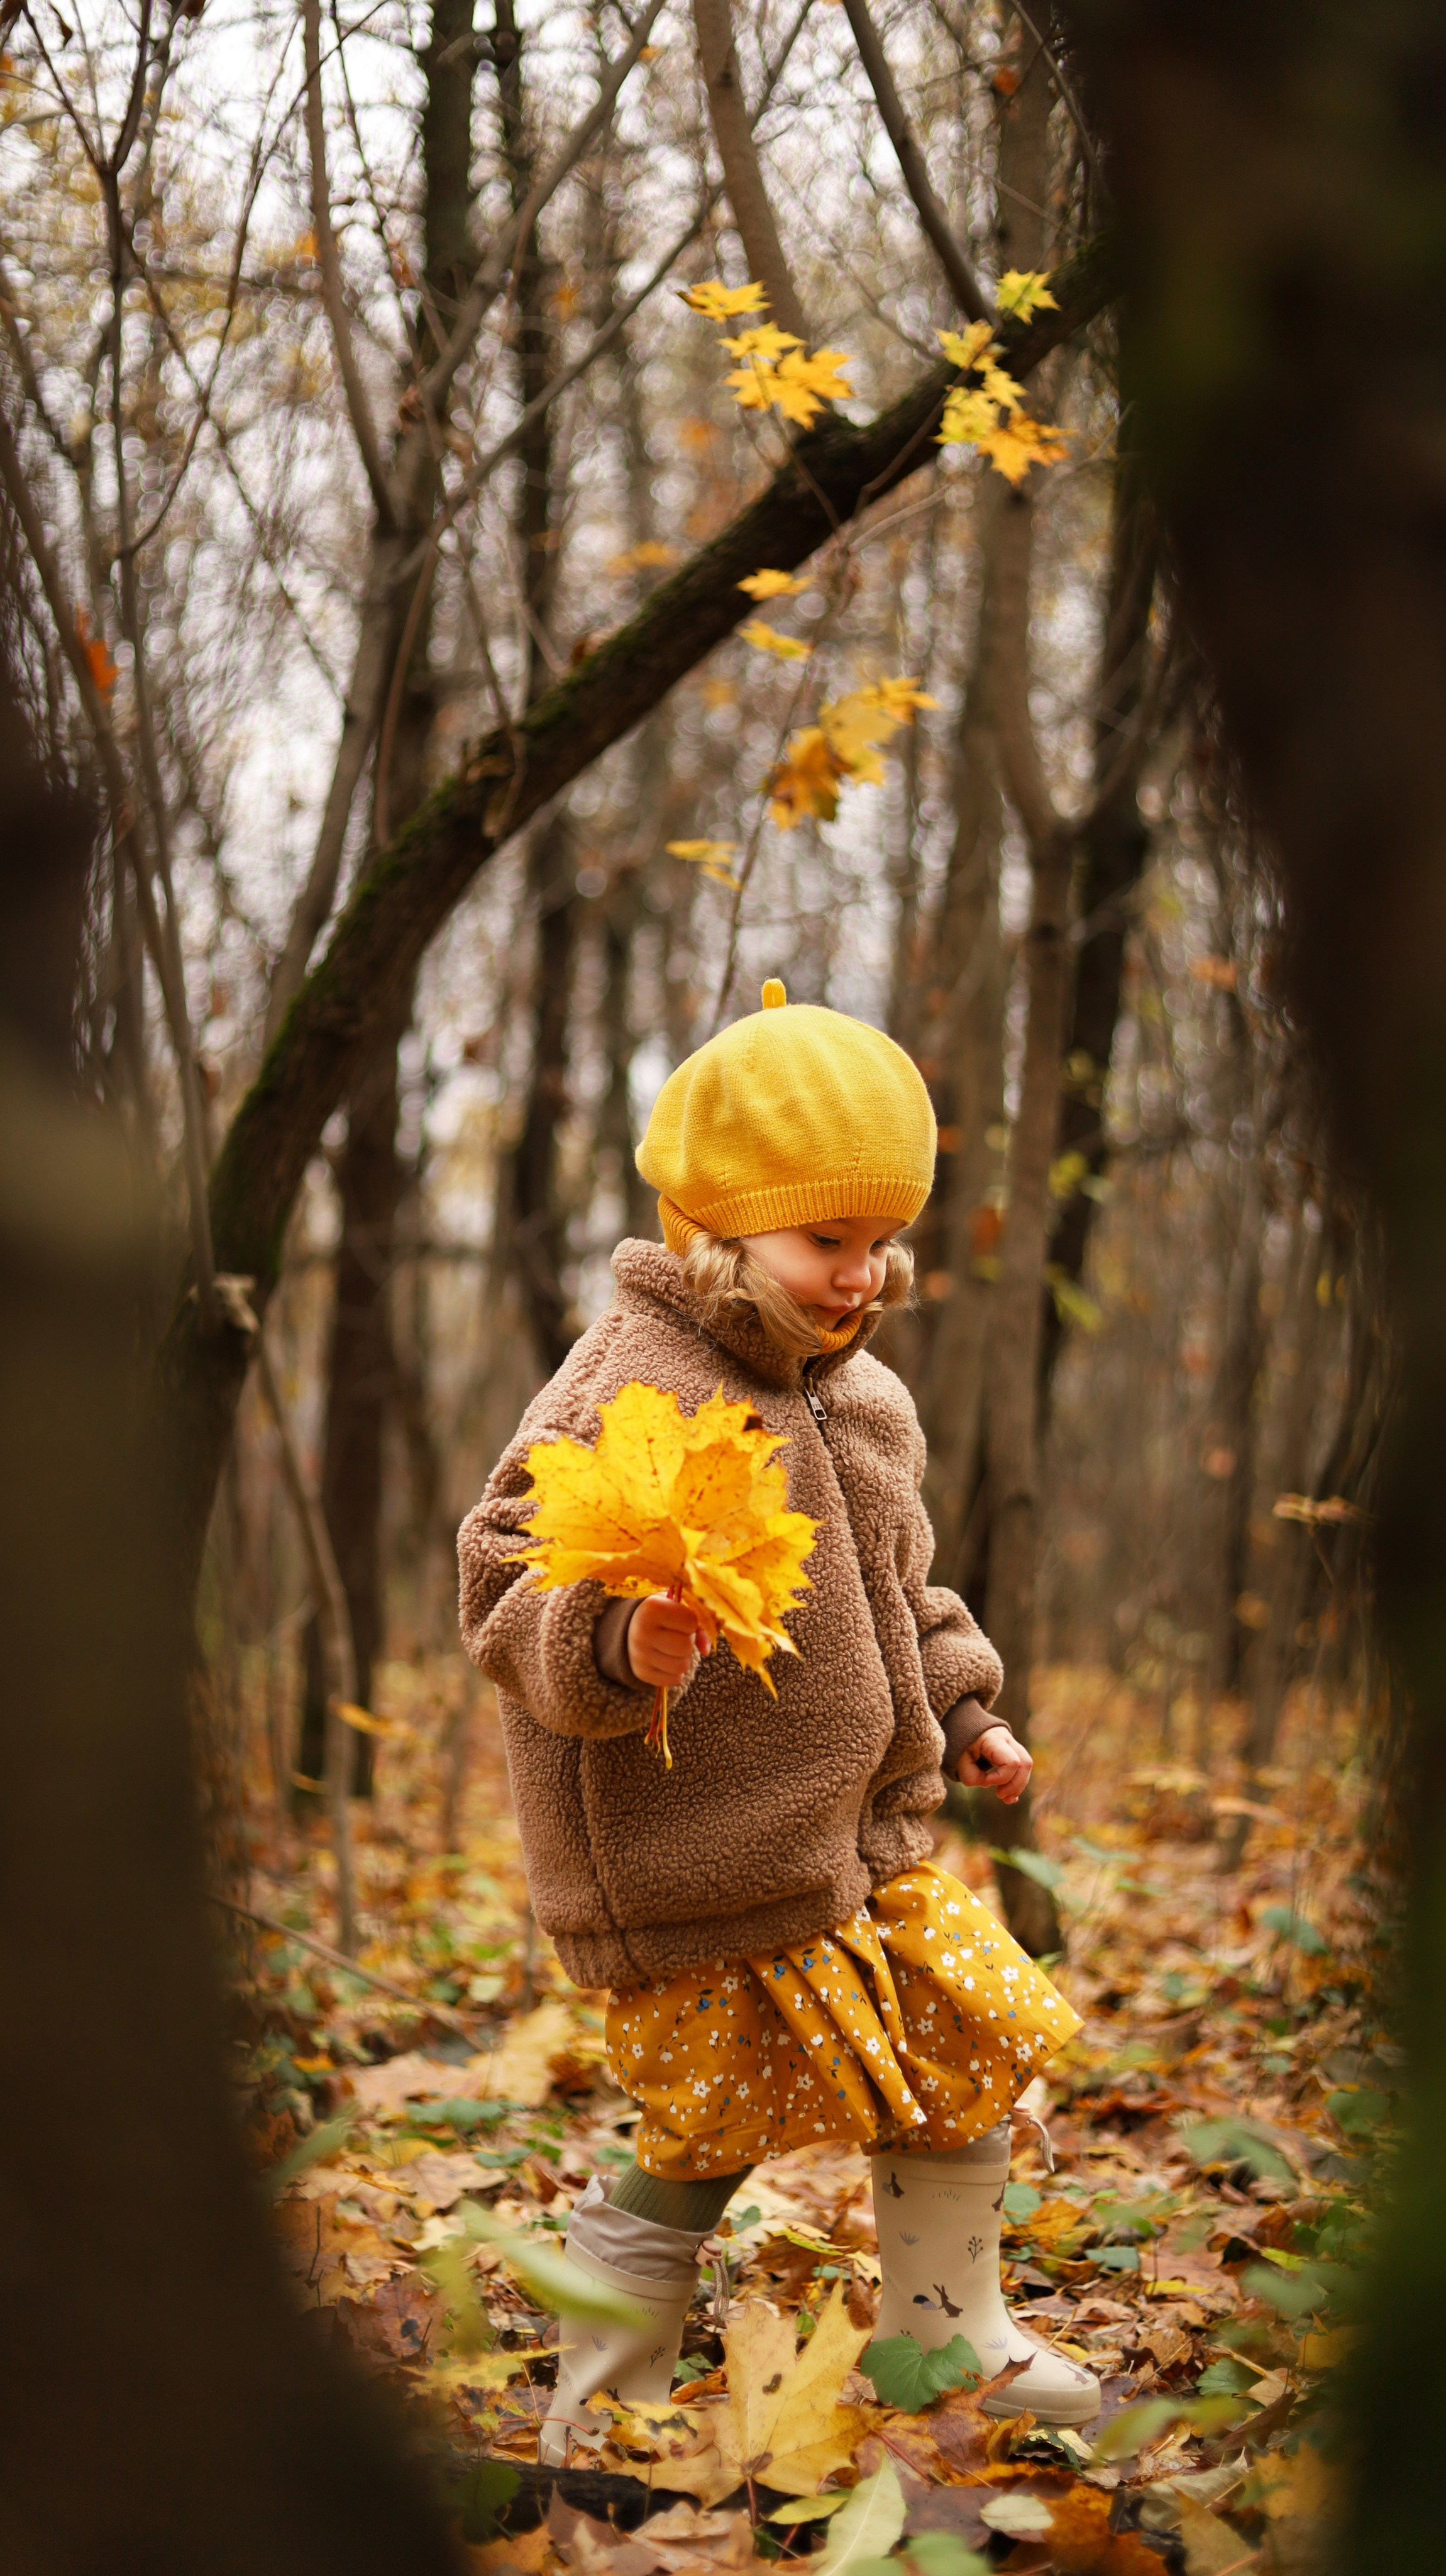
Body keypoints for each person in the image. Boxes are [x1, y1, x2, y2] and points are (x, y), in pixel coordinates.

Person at [458, 981, 1096, 2463]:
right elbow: (499, 1574)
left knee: (965, 2040)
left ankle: (946, 2324)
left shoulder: (864, 1398)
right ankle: (604, 2369)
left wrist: (966, 1703)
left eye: (882, 1242)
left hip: (861, 1842)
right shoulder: (633, 1376)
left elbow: (905, 1586)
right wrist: (619, 1637)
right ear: (714, 1227)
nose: (861, 1274)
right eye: (828, 1241)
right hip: (696, 1855)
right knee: (707, 2131)